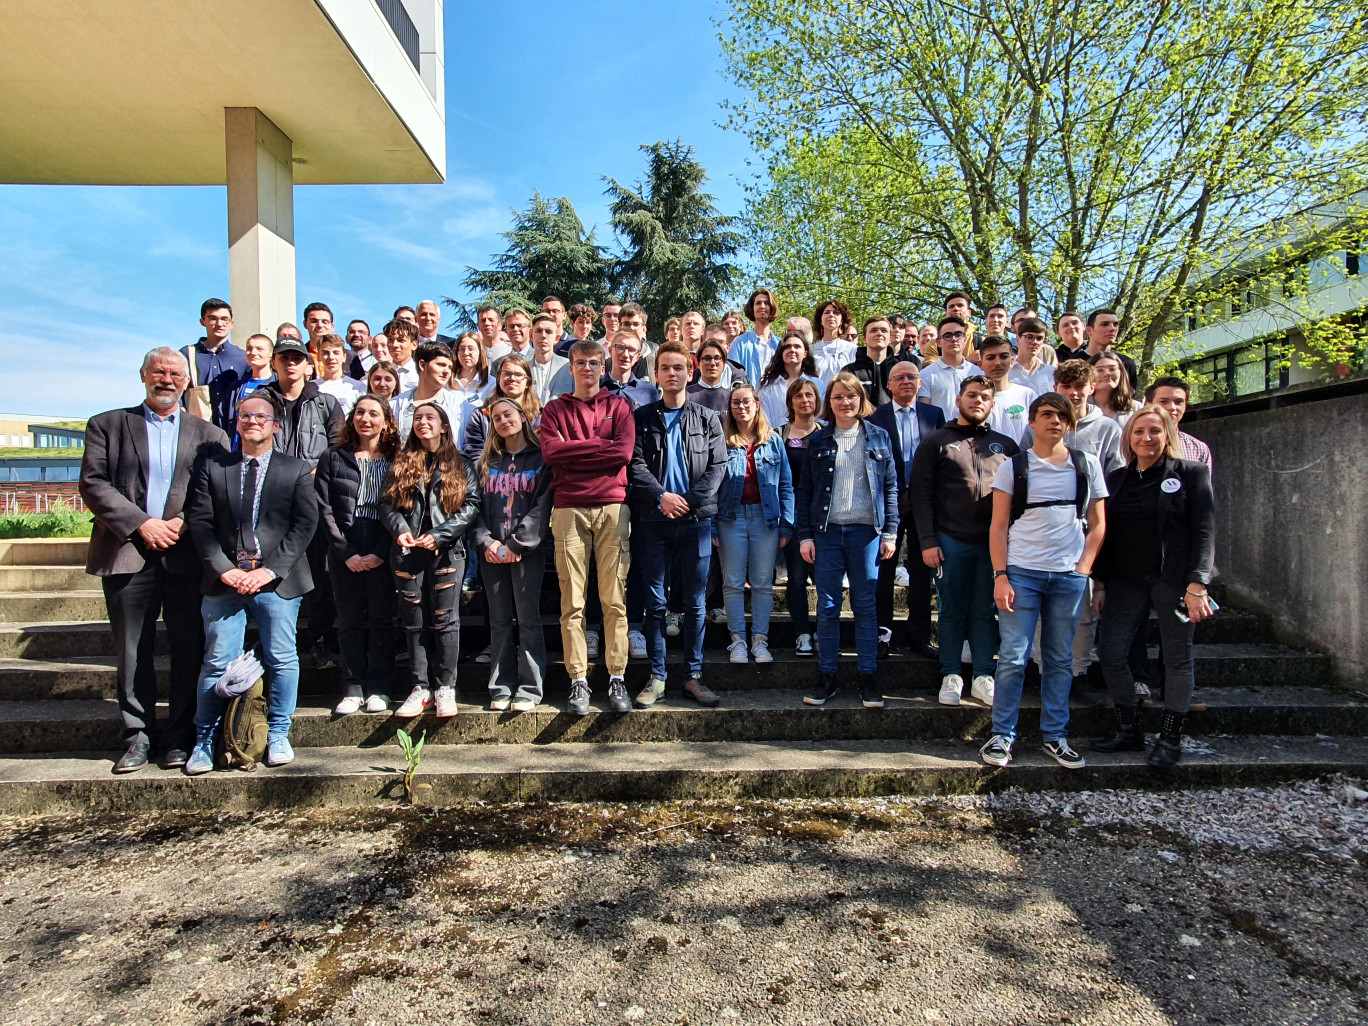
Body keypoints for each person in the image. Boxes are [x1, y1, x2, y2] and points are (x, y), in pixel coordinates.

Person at [80, 348, 230, 773]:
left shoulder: (209, 434)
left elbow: (214, 492)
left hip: (186, 557)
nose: (167, 379)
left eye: (175, 373)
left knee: (188, 649)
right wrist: (142, 523)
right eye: (159, 372)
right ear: (144, 376)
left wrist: (181, 523)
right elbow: (94, 483)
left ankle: (179, 736)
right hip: (127, 551)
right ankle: (137, 737)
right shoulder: (107, 425)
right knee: (132, 650)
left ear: (186, 381)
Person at [183, 391, 319, 774]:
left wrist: (270, 570)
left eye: (261, 416)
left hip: (277, 580)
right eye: (245, 416)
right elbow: (201, 522)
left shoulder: (295, 470)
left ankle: (278, 733)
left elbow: (304, 525)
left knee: (282, 657)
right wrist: (223, 568)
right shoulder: (213, 468)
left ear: (275, 426)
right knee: (215, 660)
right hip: (225, 580)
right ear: (237, 423)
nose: (252, 421)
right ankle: (205, 741)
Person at [982, 392, 1109, 769]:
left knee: (1058, 658)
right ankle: (1002, 734)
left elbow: (1099, 523)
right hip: (1022, 571)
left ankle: (1055, 736)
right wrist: (1001, 575)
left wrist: (1083, 568)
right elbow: (999, 525)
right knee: (1012, 657)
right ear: (1032, 421)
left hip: (1068, 575)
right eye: (1047, 414)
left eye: (1062, 416)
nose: (1055, 421)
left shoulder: (1086, 464)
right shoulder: (1013, 467)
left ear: (1070, 424)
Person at [1091, 405, 1215, 767]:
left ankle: (1170, 738)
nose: (1147, 438)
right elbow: (1105, 535)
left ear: (1168, 435)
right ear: (1128, 437)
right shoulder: (1117, 478)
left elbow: (1205, 531)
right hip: (1126, 580)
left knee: (1177, 659)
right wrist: (1099, 582)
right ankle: (1128, 729)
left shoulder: (1191, 473)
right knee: (1112, 653)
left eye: (1154, 431)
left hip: (1174, 581)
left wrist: (1198, 583)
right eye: (1139, 431)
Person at [628, 340, 727, 707]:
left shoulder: (708, 419)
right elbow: (634, 465)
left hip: (696, 521)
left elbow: (718, 468)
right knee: (655, 603)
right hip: (653, 520)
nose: (672, 373)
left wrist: (686, 503)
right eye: (665, 368)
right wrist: (661, 497)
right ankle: (657, 676)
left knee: (696, 602)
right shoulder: (640, 418)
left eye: (679, 367)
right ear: (656, 375)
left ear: (691, 371)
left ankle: (693, 676)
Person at [540, 340, 636, 716]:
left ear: (603, 366)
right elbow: (551, 453)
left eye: (594, 363)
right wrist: (599, 446)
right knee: (572, 601)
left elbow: (622, 453)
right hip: (568, 508)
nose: (587, 369)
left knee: (614, 599)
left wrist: (576, 449)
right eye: (580, 362)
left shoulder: (619, 406)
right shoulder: (554, 409)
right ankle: (578, 680)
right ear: (571, 367)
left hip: (612, 505)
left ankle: (617, 677)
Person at [910, 375, 1019, 707]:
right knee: (951, 611)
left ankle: (984, 674)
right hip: (949, 540)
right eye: (971, 395)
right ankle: (951, 674)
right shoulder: (936, 442)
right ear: (958, 400)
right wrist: (928, 541)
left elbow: (1019, 498)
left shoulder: (1006, 446)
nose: (978, 401)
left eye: (984, 397)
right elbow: (920, 495)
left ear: (992, 404)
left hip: (993, 545)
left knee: (986, 610)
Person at [796, 372, 898, 707]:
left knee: (866, 606)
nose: (845, 402)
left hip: (867, 533)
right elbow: (806, 491)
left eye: (851, 396)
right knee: (826, 607)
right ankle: (827, 676)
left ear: (861, 400)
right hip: (827, 532)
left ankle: (867, 677)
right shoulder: (819, 440)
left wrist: (891, 531)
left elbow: (891, 489)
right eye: (838, 397)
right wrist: (805, 536)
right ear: (830, 402)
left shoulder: (880, 437)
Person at [380, 402, 480, 719]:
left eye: (430, 418)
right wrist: (399, 531)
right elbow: (386, 505)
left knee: (445, 619)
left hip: (446, 550)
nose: (423, 422)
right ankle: (419, 687)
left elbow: (472, 505)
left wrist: (440, 535)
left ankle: (445, 687)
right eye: (418, 418)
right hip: (408, 551)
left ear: (443, 426)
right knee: (413, 621)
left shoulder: (461, 463)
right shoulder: (400, 462)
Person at [315, 395, 400, 715]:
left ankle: (379, 687)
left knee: (381, 618)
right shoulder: (333, 457)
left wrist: (381, 552)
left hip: (383, 538)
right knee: (349, 618)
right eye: (360, 412)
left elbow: (403, 506)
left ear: (387, 422)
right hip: (344, 542)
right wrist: (345, 552)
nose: (366, 418)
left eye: (374, 414)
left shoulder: (397, 458)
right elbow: (324, 509)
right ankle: (352, 687)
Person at [472, 397, 553, 712]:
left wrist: (516, 544)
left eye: (508, 414)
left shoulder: (541, 459)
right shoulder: (485, 462)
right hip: (491, 553)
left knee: (529, 620)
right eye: (496, 418)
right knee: (499, 621)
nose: (503, 421)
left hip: (526, 553)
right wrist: (486, 541)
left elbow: (542, 506)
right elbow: (472, 508)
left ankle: (530, 688)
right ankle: (501, 686)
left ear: (522, 416)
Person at [866, 361, 945, 660]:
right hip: (889, 502)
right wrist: (895, 493)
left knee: (922, 571)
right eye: (899, 378)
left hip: (924, 504)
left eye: (912, 377)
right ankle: (883, 634)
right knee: (884, 569)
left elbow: (941, 460)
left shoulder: (934, 415)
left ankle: (920, 635)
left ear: (920, 383)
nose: (907, 382)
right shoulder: (876, 415)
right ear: (889, 385)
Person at [716, 382, 794, 666]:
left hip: (766, 519)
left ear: (757, 404)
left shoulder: (773, 441)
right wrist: (713, 525)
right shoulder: (721, 440)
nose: (741, 407)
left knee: (762, 582)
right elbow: (711, 486)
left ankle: (760, 640)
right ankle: (737, 640)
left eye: (747, 401)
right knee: (733, 582)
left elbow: (785, 485)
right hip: (730, 518)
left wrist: (787, 524)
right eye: (736, 402)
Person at [780, 379, 824, 657]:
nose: (804, 399)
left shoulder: (828, 433)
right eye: (798, 395)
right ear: (790, 402)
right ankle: (803, 633)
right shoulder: (779, 434)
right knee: (796, 578)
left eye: (809, 395)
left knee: (824, 579)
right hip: (794, 514)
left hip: (824, 514)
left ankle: (823, 630)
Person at [391, 341, 472, 450]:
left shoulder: (461, 406)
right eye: (441, 365)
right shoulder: (395, 405)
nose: (447, 372)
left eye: (450, 367)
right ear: (422, 365)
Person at [183, 298, 249, 431]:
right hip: (197, 429)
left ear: (232, 324)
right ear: (203, 322)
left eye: (225, 319)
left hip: (233, 431)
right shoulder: (187, 354)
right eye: (213, 318)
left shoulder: (243, 358)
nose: (220, 324)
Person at [462, 353, 543, 460]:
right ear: (499, 378)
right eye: (507, 373)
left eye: (518, 375)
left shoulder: (541, 417)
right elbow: (474, 452)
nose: (512, 378)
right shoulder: (481, 415)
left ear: (528, 382)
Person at [1058, 308, 1139, 389]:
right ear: (1089, 330)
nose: (1112, 328)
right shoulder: (1073, 363)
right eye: (1105, 324)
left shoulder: (1126, 363)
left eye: (1115, 324)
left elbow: (1130, 396)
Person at [843, 315, 913, 407]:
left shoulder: (901, 370)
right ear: (864, 339)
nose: (879, 333)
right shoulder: (850, 371)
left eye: (884, 330)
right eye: (873, 330)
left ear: (890, 339)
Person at [758, 330, 822, 429]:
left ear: (805, 353)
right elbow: (763, 420)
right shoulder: (768, 385)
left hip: (812, 441)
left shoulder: (817, 384)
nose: (792, 350)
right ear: (781, 353)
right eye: (787, 347)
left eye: (797, 346)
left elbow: (821, 416)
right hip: (776, 440)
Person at [979, 335, 1036, 443]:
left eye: (1003, 356)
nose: (997, 363)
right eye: (991, 357)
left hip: (1020, 459)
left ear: (1012, 361)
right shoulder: (971, 400)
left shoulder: (1028, 396)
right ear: (980, 364)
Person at [1145, 376, 1211, 466]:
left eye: (1178, 402)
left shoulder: (1198, 449)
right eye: (1164, 401)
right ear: (1149, 405)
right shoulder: (1137, 444)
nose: (1172, 407)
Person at [921, 317, 976, 422]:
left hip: (973, 436)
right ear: (939, 343)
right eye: (947, 335)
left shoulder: (978, 373)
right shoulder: (926, 374)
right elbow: (924, 416)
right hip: (940, 436)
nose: (954, 339)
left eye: (958, 334)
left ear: (965, 340)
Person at [230, 334, 277, 444]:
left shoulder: (277, 386)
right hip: (236, 450)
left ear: (271, 354)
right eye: (249, 348)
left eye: (259, 349)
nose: (253, 353)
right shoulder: (235, 388)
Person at [730, 288, 782, 385]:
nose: (762, 306)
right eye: (758, 303)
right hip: (748, 398)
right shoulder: (740, 343)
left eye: (766, 303)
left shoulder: (781, 345)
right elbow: (732, 375)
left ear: (772, 308)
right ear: (752, 308)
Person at [602, 330, 661, 410]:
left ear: (637, 356)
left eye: (631, 349)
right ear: (610, 351)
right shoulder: (595, 388)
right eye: (620, 347)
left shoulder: (648, 392)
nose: (625, 354)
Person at [688, 339, 747, 414]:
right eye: (707, 358)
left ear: (724, 363)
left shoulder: (732, 399)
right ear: (699, 363)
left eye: (717, 358)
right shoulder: (686, 396)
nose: (712, 363)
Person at [811, 299, 859, 386]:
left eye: (836, 313)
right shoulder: (811, 350)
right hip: (818, 397)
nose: (831, 315)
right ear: (821, 320)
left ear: (841, 320)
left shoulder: (852, 350)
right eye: (827, 312)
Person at [315, 334, 365, 415]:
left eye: (336, 353)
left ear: (344, 357)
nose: (331, 357)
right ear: (318, 357)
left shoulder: (358, 388)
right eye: (325, 353)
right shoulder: (311, 387)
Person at [1009, 317, 1057, 397]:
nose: (1034, 342)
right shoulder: (1006, 370)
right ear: (1018, 340)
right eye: (1029, 337)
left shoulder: (1052, 373)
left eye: (1039, 338)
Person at [528, 312, 570, 404]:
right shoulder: (523, 368)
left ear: (557, 338)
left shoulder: (569, 367)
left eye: (548, 331)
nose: (543, 336)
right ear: (531, 335)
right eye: (538, 331)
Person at [1090, 351, 1137, 426]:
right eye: (1100, 370)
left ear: (1121, 373)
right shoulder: (1080, 406)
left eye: (1112, 369)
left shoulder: (1135, 407)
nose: (1107, 374)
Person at [451, 332, 490, 405]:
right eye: (462, 349)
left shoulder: (491, 383)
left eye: (471, 349)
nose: (466, 353)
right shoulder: (448, 382)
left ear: (480, 352)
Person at [384, 317, 420, 392]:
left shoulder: (421, 373)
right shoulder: (381, 373)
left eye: (401, 340)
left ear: (414, 345)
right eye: (391, 340)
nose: (395, 345)